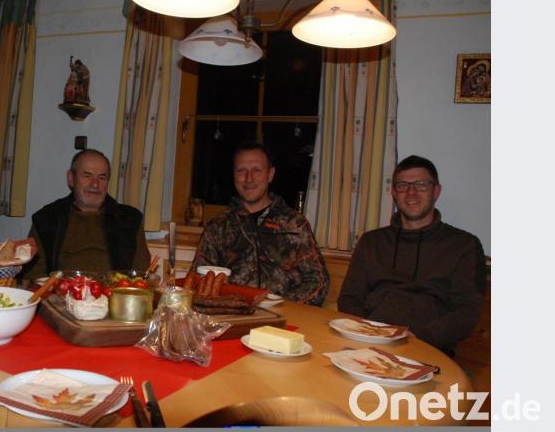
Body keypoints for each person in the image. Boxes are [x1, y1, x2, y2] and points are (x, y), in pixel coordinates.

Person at [337, 155, 486, 354]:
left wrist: (422, 339)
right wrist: (368, 331)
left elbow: (467, 312)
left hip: (428, 348)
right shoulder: (371, 242)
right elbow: (349, 298)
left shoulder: (464, 245)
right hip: (367, 341)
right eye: (403, 185)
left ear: (436, 191)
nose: (411, 192)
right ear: (393, 193)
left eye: (421, 185)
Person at [192, 141, 329, 306]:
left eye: (257, 170)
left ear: (270, 174)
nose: (249, 178)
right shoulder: (218, 226)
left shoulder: (294, 225)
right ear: (233, 175)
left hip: (284, 318)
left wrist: (281, 305)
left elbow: (318, 281)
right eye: (241, 170)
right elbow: (198, 278)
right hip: (231, 315)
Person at [22, 149, 151, 279]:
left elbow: (139, 274)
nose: (95, 184)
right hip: (62, 295)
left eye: (102, 177)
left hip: (113, 295)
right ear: (71, 179)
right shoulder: (47, 219)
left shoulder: (130, 220)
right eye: (87, 176)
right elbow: (33, 275)